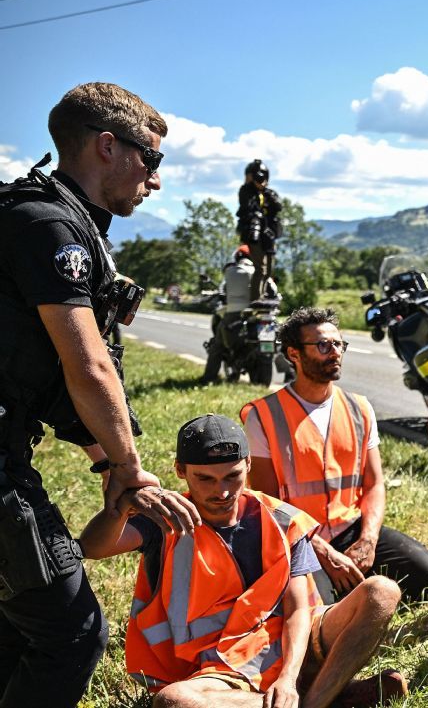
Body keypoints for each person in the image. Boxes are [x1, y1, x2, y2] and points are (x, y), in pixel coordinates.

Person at [0, 81, 201, 706]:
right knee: (73, 633)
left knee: (15, 629)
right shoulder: (46, 225)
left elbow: (55, 384)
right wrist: (130, 470)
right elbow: (86, 366)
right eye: (153, 160)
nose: (157, 180)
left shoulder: (55, 219)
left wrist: (108, 467)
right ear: (108, 147)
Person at [78, 414, 406, 707]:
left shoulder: (282, 520)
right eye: (205, 479)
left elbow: (296, 610)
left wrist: (288, 679)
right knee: (174, 701)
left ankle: (310, 700)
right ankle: (329, 696)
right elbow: (93, 547)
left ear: (248, 465)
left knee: (382, 591)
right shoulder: (165, 518)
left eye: (232, 476)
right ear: (181, 471)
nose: (221, 492)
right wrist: (121, 505)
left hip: (297, 646)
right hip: (223, 669)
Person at [241, 307, 428, 604]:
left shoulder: (360, 408)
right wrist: (324, 553)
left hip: (350, 530)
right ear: (294, 354)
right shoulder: (263, 416)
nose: (335, 352)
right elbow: (267, 503)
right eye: (323, 345)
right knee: (317, 610)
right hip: (300, 540)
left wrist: (368, 539)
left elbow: (374, 484)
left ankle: (357, 590)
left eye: (339, 344)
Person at [200, 245, 256, 384]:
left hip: (235, 312)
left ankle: (209, 377)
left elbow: (224, 289)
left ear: (238, 256)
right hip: (257, 314)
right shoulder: (259, 271)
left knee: (217, 345)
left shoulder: (233, 271)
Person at [236, 159, 283, 300]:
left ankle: (262, 297)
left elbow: (278, 207)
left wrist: (265, 190)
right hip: (254, 234)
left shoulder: (270, 193)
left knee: (268, 271)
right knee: (260, 269)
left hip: (268, 236)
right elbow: (247, 206)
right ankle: (255, 300)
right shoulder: (245, 191)